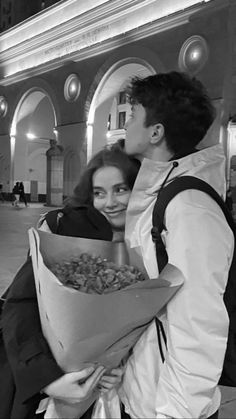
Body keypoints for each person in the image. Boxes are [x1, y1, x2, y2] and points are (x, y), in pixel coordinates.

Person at [122, 71, 234, 419]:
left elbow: (199, 325)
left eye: (132, 117)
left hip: (167, 405)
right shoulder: (164, 191)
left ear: (156, 132)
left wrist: (174, 414)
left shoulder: (189, 207)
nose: (125, 126)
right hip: (144, 389)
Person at [1, 143, 140, 419]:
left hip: (122, 394)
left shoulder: (150, 243)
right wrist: (48, 379)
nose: (110, 202)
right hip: (56, 388)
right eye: (99, 193)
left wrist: (119, 364)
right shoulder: (66, 232)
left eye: (121, 189)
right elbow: (20, 305)